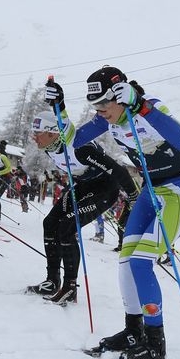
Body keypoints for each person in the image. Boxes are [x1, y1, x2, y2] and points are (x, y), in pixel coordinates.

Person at [73, 66, 180, 359]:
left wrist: (140, 105)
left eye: (104, 104)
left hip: (179, 191)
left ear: (120, 96)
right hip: (150, 191)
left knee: (143, 261)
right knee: (127, 260)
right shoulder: (111, 120)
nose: (100, 111)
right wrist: (58, 111)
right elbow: (76, 139)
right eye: (95, 106)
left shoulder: (150, 108)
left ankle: (156, 344)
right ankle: (134, 330)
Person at [26, 102, 138, 305]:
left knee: (67, 227)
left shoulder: (82, 148)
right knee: (50, 223)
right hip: (84, 186)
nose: (34, 137)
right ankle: (53, 280)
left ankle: (70, 287)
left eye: (38, 132)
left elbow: (119, 171)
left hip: (105, 188)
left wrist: (134, 197)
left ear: (52, 133)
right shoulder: (50, 146)